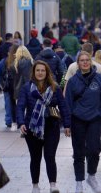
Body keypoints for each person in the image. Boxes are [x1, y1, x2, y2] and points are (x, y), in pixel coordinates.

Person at [17, 60, 70, 193]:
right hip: (32, 129)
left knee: (50, 156)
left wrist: (67, 125)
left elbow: (63, 107)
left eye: (43, 70)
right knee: (35, 158)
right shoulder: (26, 88)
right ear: (33, 72)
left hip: (51, 127)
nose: (40, 73)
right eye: (37, 70)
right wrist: (21, 123)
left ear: (47, 73)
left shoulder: (55, 88)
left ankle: (53, 184)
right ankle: (35, 185)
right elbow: (20, 106)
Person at [65, 51, 101, 193]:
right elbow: (68, 104)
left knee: (94, 149)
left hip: (94, 119)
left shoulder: (100, 79)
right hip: (77, 120)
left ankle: (91, 176)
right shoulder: (73, 81)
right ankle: (79, 182)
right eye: (82, 60)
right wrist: (67, 124)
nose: (85, 62)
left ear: (91, 62)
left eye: (87, 60)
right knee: (78, 152)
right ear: (77, 64)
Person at [0, 44, 18, 128]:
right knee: (19, 104)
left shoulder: (3, 61)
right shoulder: (20, 61)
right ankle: (18, 119)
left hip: (7, 86)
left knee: (8, 103)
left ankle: (8, 120)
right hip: (17, 86)